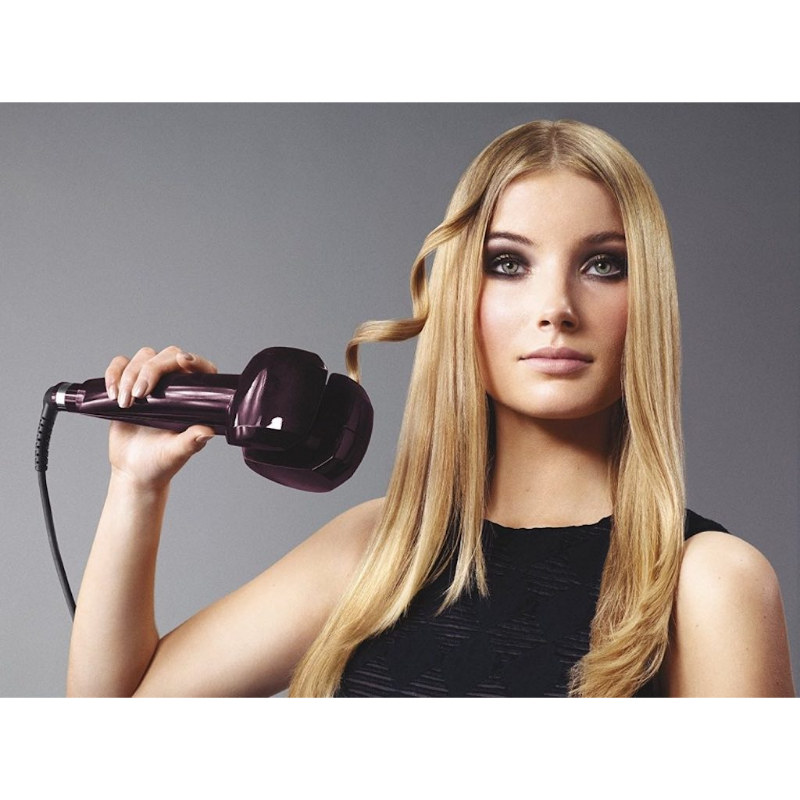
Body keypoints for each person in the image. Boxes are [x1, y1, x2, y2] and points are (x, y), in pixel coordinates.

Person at [66, 119, 796, 698]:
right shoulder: (376, 552)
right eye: (507, 263)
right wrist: (137, 483)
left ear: (649, 301)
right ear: (458, 299)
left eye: (604, 264)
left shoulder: (711, 584)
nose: (557, 308)